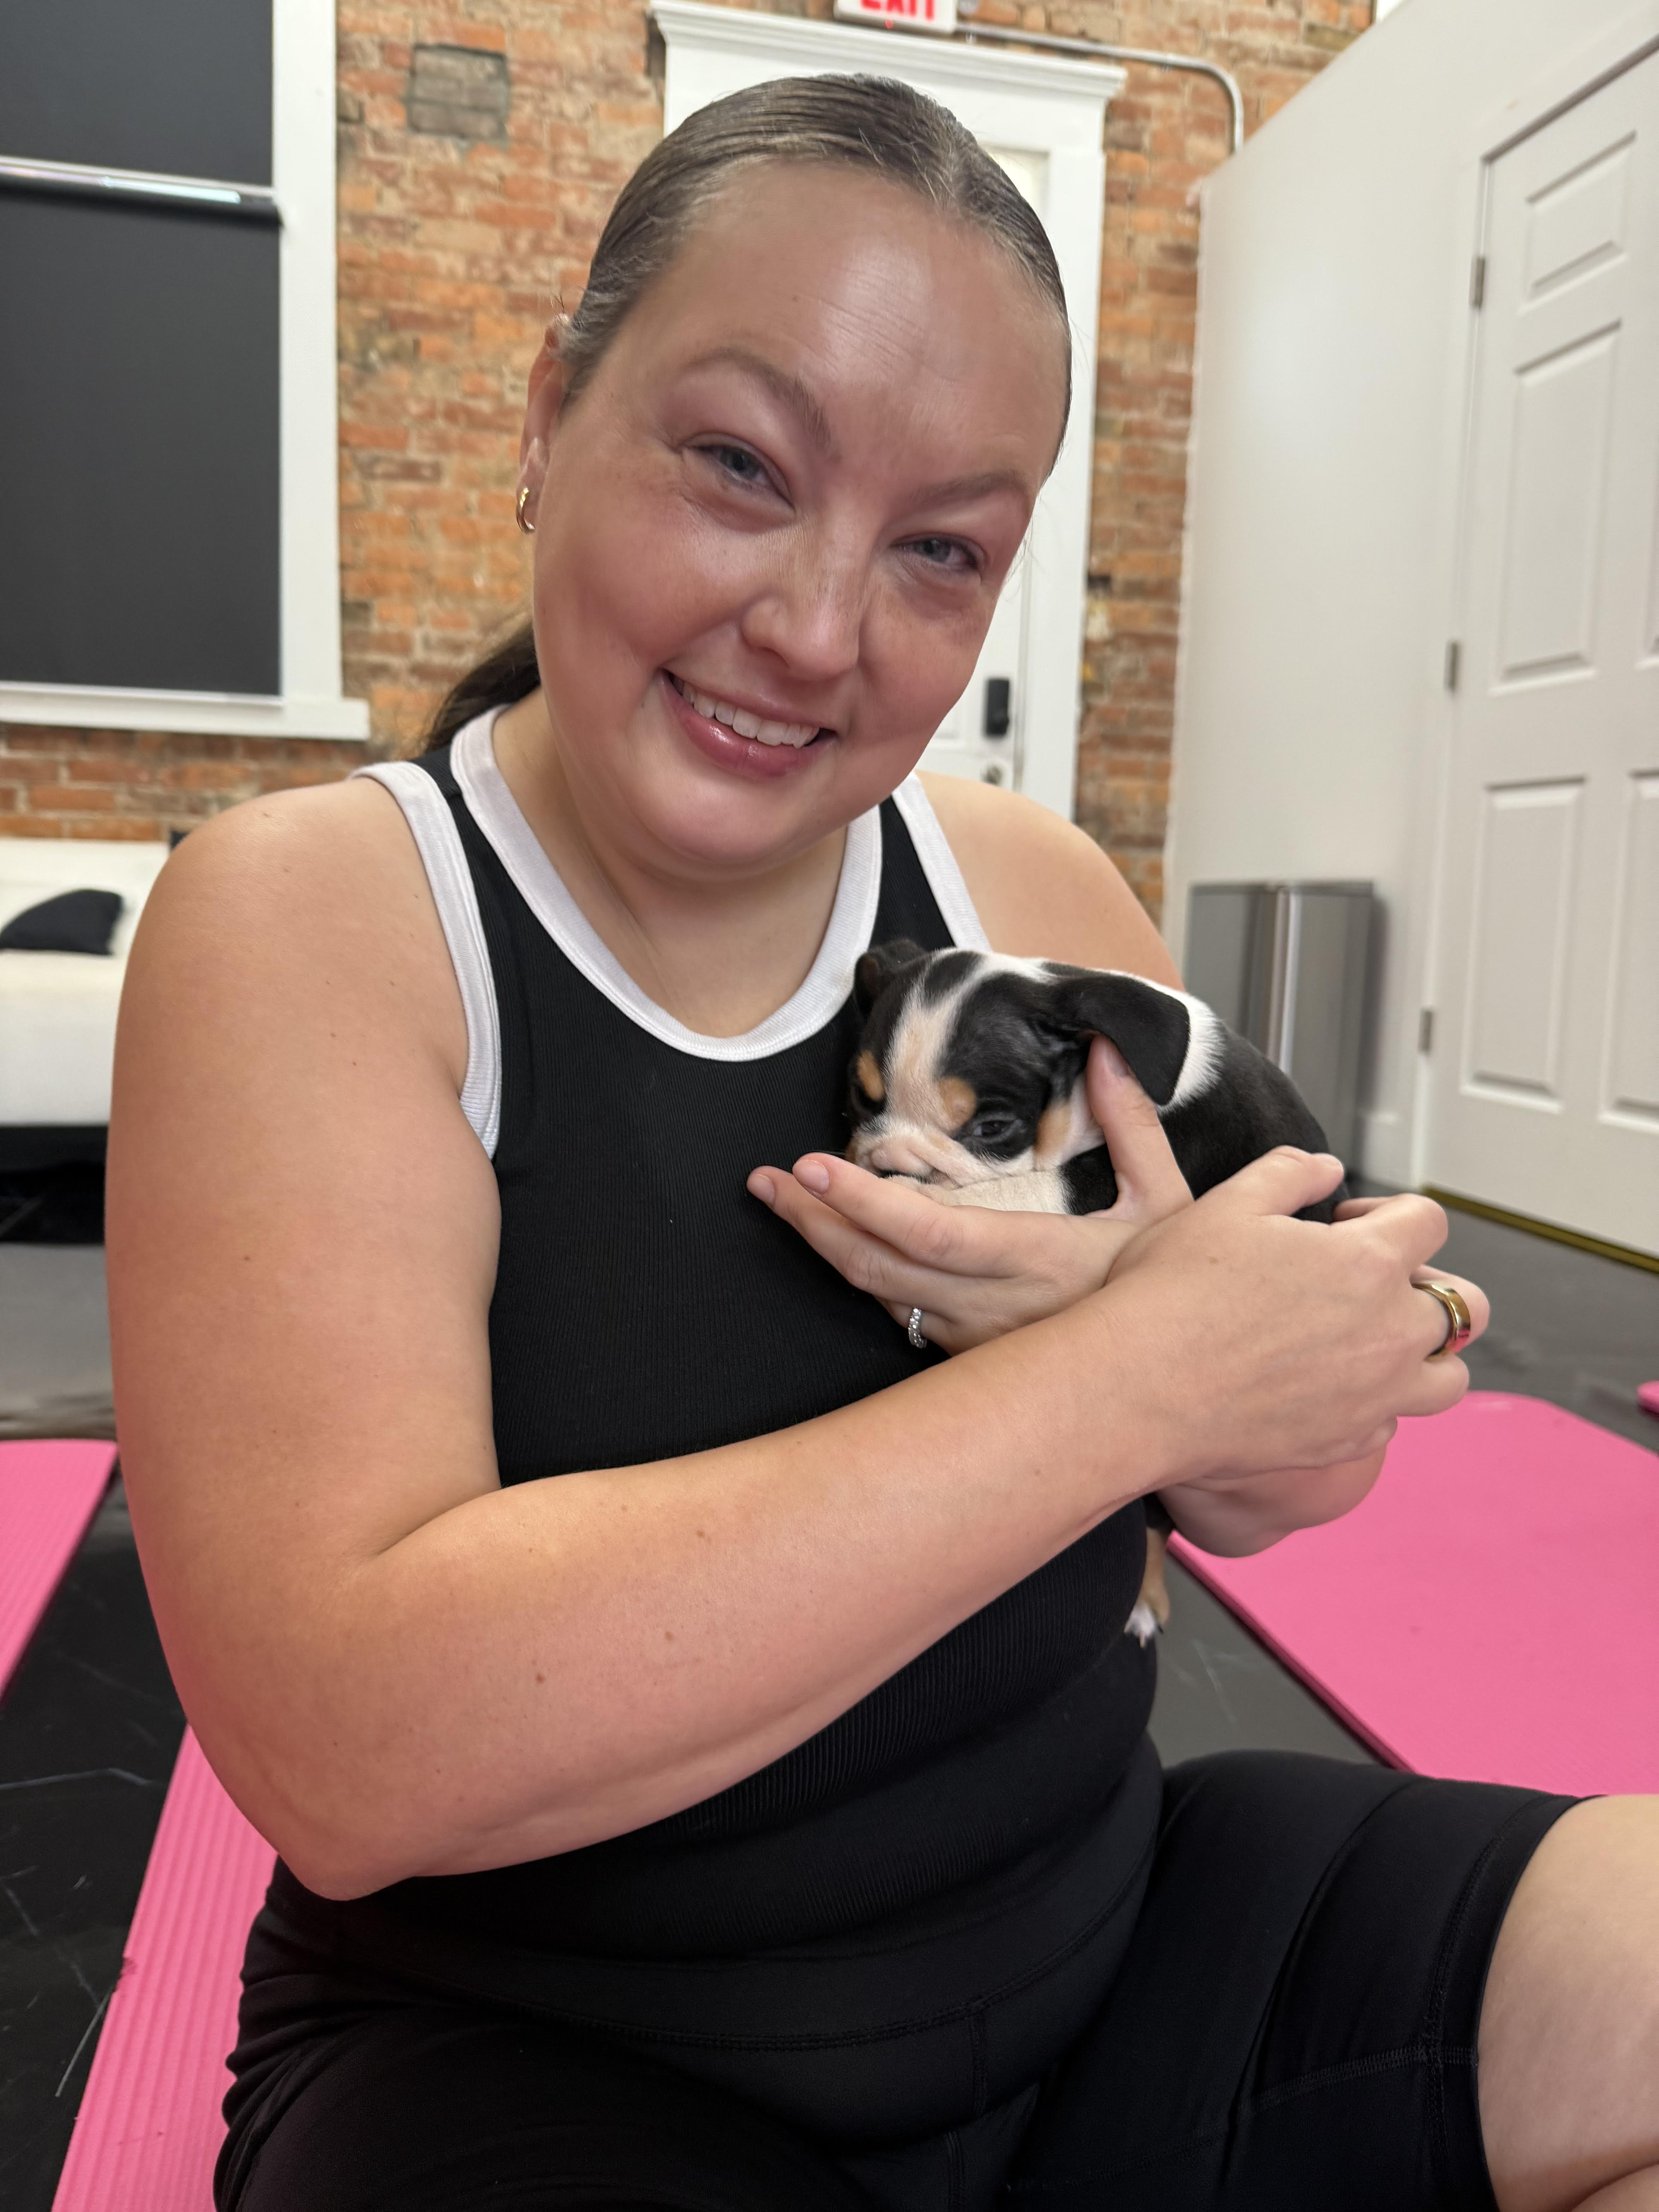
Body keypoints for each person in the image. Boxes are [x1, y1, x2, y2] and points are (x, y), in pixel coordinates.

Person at [107, 75, 1657, 2212]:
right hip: (544, 2058)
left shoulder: (1025, 888)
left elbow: (1296, 1473)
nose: (821, 630)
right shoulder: (328, 922)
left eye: (942, 550)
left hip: (1120, 1955)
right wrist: (1125, 1373)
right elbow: (350, 1749)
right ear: (552, 414)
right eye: (741, 466)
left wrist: (1227, 1366)